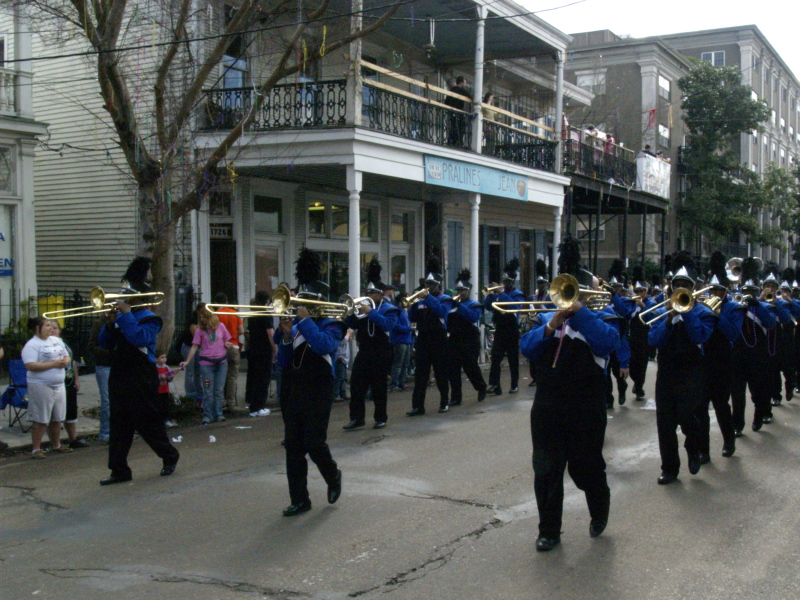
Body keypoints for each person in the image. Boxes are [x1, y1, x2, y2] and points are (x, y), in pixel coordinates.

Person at [520, 236, 620, 551]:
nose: (569, 298)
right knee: (546, 469)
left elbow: (608, 343)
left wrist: (580, 313)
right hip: (548, 403)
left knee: (584, 465)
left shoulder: (602, 318)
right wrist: (552, 323)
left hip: (587, 404)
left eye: (575, 293)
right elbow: (527, 347)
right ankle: (549, 530)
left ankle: (599, 502)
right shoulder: (546, 318)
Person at [98, 257, 180, 484]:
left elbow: (138, 338)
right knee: (119, 423)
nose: (122, 297)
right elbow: (104, 344)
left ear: (138, 297)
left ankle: (169, 455)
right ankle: (119, 470)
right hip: (120, 372)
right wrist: (108, 323)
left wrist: (124, 316)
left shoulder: (150, 318)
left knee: (146, 422)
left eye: (127, 294)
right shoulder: (123, 317)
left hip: (141, 374)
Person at [277, 247, 345, 517]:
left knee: (315, 443)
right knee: (292, 445)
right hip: (294, 387)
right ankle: (300, 499)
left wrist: (304, 322)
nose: (298, 304)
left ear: (318, 299)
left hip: (319, 387)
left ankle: (333, 475)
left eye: (304, 300)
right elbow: (284, 361)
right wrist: (284, 337)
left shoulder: (332, 323)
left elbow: (324, 346)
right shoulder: (296, 325)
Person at [648, 253, 716, 485]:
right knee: (665, 423)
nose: (681, 289)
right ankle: (669, 469)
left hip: (692, 371)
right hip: (666, 372)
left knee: (688, 416)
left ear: (693, 288)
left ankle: (693, 447)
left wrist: (687, 314)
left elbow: (700, 336)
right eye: (677, 286)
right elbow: (653, 342)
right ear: (671, 287)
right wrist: (669, 320)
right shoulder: (661, 313)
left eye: (685, 286)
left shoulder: (704, 313)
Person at [343, 259, 399, 430]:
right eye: (367, 292)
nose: (368, 296)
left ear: (381, 294)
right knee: (357, 385)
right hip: (365, 350)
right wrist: (351, 312)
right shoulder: (363, 308)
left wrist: (371, 312)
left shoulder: (389, 308)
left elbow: (388, 325)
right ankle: (357, 418)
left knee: (379, 387)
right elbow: (352, 325)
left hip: (381, 351)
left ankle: (380, 417)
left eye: (372, 293)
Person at [697, 253, 740, 460]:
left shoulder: (734, 308)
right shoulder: (700, 305)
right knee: (701, 407)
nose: (715, 293)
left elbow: (733, 333)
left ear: (725, 291)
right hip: (702, 360)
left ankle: (728, 441)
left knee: (721, 405)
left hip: (723, 360)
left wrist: (717, 315)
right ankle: (704, 450)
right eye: (712, 289)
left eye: (719, 290)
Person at [730, 258, 777, 435]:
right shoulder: (735, 305)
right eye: (745, 291)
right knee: (737, 393)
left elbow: (771, 323)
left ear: (757, 292)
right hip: (737, 355)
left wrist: (757, 305)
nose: (748, 294)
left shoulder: (763, 305)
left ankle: (758, 415)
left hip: (757, 356)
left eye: (751, 291)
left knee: (758, 391)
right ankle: (737, 424)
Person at [406, 257, 452, 416]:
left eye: (431, 284)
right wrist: (412, 303)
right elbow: (412, 318)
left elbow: (442, 312)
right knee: (421, 375)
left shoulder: (445, 298)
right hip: (423, 339)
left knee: (441, 373)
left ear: (438, 285)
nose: (428, 287)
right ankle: (418, 406)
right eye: (426, 284)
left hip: (439, 339)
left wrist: (427, 297)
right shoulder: (420, 300)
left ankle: (444, 401)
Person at [22, 316, 72, 459]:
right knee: (40, 418)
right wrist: (54, 364)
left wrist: (65, 361)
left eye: (51, 325)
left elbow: (66, 355)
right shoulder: (32, 345)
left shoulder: (56, 341)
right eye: (47, 325)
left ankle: (56, 444)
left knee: (57, 417)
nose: (51, 328)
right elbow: (30, 365)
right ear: (38, 328)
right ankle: (36, 449)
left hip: (58, 384)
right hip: (41, 385)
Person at [180, 308, 233, 425]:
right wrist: (187, 361)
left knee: (218, 390)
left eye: (205, 317)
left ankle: (218, 413)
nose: (202, 319)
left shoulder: (221, 326)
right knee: (208, 390)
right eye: (201, 317)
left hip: (221, 364)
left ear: (210, 316)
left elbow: (226, 340)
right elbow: (194, 346)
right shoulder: (200, 330)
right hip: (206, 366)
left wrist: (227, 344)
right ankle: (208, 415)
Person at [484, 259, 525, 395]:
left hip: (512, 329)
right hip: (500, 329)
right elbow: (487, 307)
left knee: (513, 359)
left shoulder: (517, 294)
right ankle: (495, 385)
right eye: (504, 281)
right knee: (495, 358)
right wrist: (490, 296)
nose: (505, 284)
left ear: (512, 282)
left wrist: (502, 293)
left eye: (507, 282)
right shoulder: (498, 295)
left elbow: (515, 307)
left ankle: (514, 385)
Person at [447, 269, 487, 406]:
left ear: (468, 291)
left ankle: (481, 387)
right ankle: (456, 397)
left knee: (471, 367)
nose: (459, 293)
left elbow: (473, 317)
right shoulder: (452, 304)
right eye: (458, 290)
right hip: (454, 338)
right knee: (453, 370)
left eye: (462, 290)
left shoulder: (474, 304)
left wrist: (459, 306)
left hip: (470, 339)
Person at [49, 320, 89, 449]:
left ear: (60, 330)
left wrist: (77, 379)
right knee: (55, 414)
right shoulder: (45, 345)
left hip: (69, 381)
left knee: (71, 410)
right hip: (54, 383)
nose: (53, 331)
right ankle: (56, 443)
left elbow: (72, 362)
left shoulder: (64, 344)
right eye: (50, 328)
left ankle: (73, 439)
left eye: (55, 328)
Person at [244, 291, 276, 417]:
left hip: (253, 349)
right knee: (263, 379)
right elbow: (270, 334)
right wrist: (275, 348)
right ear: (267, 301)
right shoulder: (266, 314)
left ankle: (253, 405)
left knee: (254, 377)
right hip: (264, 350)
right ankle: (258, 406)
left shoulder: (252, 314)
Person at [214, 292, 245, 413]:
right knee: (232, 376)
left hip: (221, 347)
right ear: (227, 301)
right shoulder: (234, 313)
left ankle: (221, 402)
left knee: (220, 375)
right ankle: (231, 403)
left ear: (216, 303)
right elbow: (241, 331)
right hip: (234, 346)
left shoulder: (216, 314)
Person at [627, 266, 654, 402]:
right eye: (637, 291)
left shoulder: (651, 303)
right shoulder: (631, 303)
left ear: (646, 291)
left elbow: (651, 318)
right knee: (632, 364)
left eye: (642, 291)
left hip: (645, 338)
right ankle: (636, 381)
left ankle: (639, 386)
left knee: (642, 365)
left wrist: (643, 306)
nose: (640, 293)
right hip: (632, 338)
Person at [88, 314, 112, 443]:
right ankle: (105, 433)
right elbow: (91, 345)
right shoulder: (99, 323)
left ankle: (121, 432)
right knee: (107, 401)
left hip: (120, 365)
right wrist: (109, 353)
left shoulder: (124, 320)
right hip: (104, 365)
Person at [389, 298, 413, 391]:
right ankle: (395, 383)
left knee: (405, 363)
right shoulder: (397, 311)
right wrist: (408, 328)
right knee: (398, 363)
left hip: (407, 340)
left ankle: (402, 382)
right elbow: (396, 326)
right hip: (399, 340)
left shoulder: (405, 311)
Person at [445, 75, 472, 146]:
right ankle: (459, 142)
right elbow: (470, 96)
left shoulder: (451, 90)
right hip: (459, 112)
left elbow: (446, 102)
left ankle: (451, 141)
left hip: (451, 112)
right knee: (460, 127)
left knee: (453, 126)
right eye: (464, 83)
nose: (465, 85)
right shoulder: (461, 90)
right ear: (461, 83)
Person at [156, 353, 177, 428]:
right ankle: (159, 421)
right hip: (158, 391)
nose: (164, 359)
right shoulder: (155, 368)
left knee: (165, 406)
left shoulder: (167, 367)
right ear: (157, 359)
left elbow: (169, 380)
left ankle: (166, 420)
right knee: (159, 406)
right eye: (162, 357)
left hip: (165, 390)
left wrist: (171, 377)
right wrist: (160, 378)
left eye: (165, 357)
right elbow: (154, 378)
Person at [332, 330, 351, 401]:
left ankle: (343, 394)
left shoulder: (343, 334)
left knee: (343, 377)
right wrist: (348, 333)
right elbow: (343, 341)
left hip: (343, 358)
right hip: (339, 358)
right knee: (339, 377)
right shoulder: (338, 333)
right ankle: (335, 394)